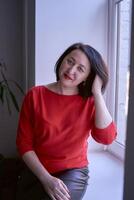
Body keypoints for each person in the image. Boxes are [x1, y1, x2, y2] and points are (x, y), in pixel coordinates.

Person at [16, 43, 117, 200]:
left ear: (87, 77)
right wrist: (45, 178)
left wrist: (97, 92)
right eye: (70, 61)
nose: (71, 71)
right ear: (62, 60)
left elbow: (106, 138)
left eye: (80, 69)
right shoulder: (35, 95)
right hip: (37, 169)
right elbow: (24, 144)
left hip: (72, 171)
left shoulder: (90, 102)